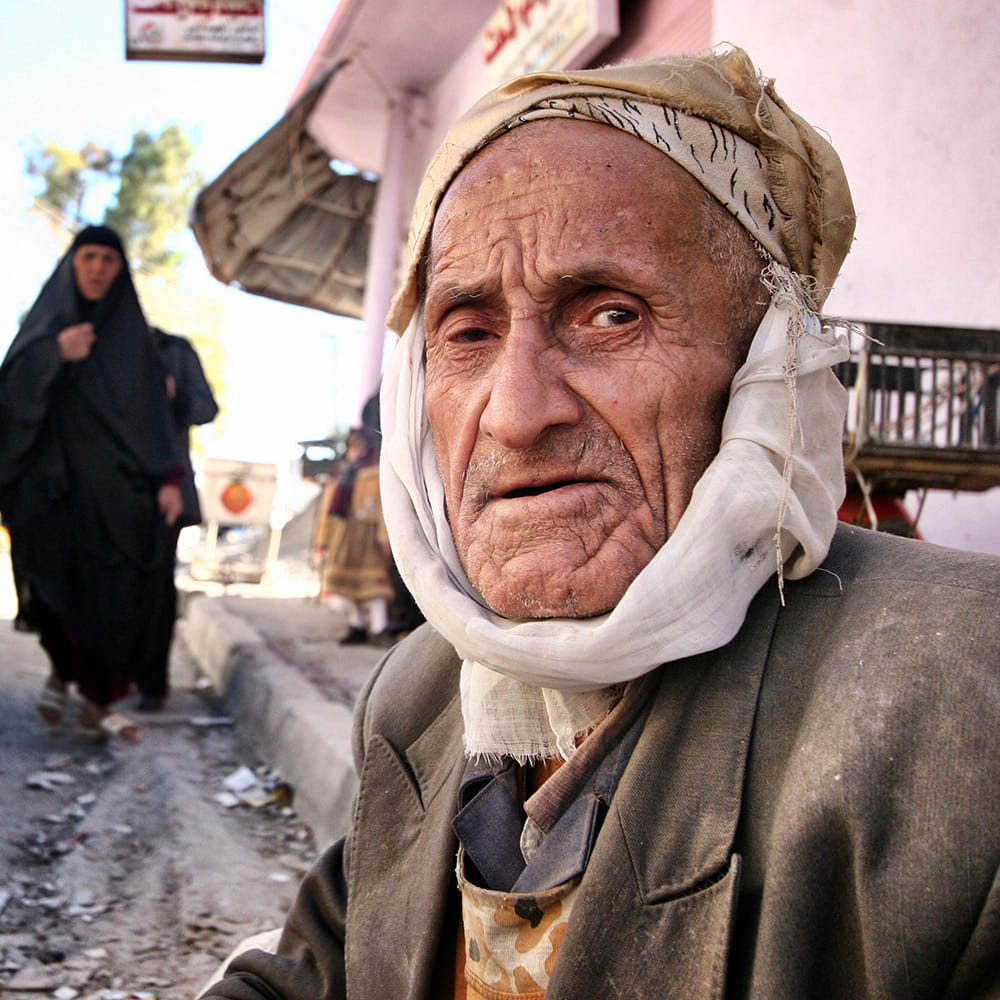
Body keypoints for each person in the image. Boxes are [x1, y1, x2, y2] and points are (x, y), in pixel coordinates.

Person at [204, 48, 1000, 999]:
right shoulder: (422, 694)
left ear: (764, 370)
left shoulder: (964, 708)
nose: (515, 412)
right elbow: (323, 962)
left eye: (610, 316)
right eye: (468, 333)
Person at [0, 225, 184, 743]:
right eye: (90, 256)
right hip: (50, 490)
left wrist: (170, 478)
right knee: (54, 585)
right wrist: (54, 354)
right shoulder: (43, 331)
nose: (99, 267)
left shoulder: (135, 341)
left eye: (109, 258)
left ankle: (94, 695)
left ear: (121, 269)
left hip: (115, 495)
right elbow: (9, 397)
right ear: (72, 263)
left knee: (114, 594)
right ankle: (68, 675)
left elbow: (154, 415)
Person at [132, 326, 219, 712]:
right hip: (106, 488)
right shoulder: (96, 342)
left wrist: (174, 396)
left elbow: (206, 408)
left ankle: (152, 683)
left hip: (163, 488)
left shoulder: (175, 349)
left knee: (154, 586)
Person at [315, 425, 396, 646]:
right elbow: (327, 512)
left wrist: (385, 538)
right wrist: (323, 540)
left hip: (366, 539)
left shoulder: (376, 474)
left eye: (360, 445)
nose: (356, 450)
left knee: (373, 586)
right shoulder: (340, 473)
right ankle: (357, 625)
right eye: (352, 446)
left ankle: (379, 628)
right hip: (341, 538)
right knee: (341, 586)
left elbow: (383, 508)